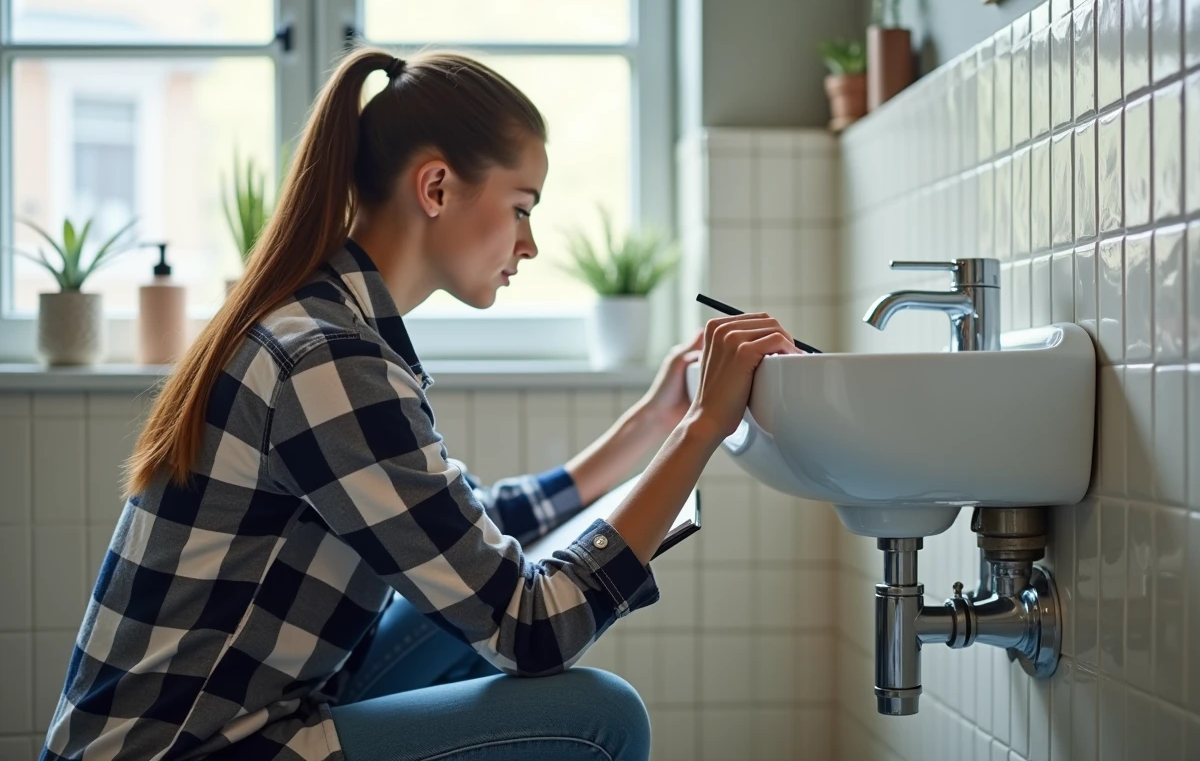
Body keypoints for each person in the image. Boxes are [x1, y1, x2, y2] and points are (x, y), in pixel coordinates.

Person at [40, 47, 804, 761]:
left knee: (456, 606)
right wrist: (705, 426)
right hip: (191, 751)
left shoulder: (325, 323)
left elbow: (464, 531)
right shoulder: (328, 361)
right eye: (522, 206)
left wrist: (653, 422)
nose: (530, 243)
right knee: (604, 719)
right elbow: (532, 629)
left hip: (238, 718)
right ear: (436, 188)